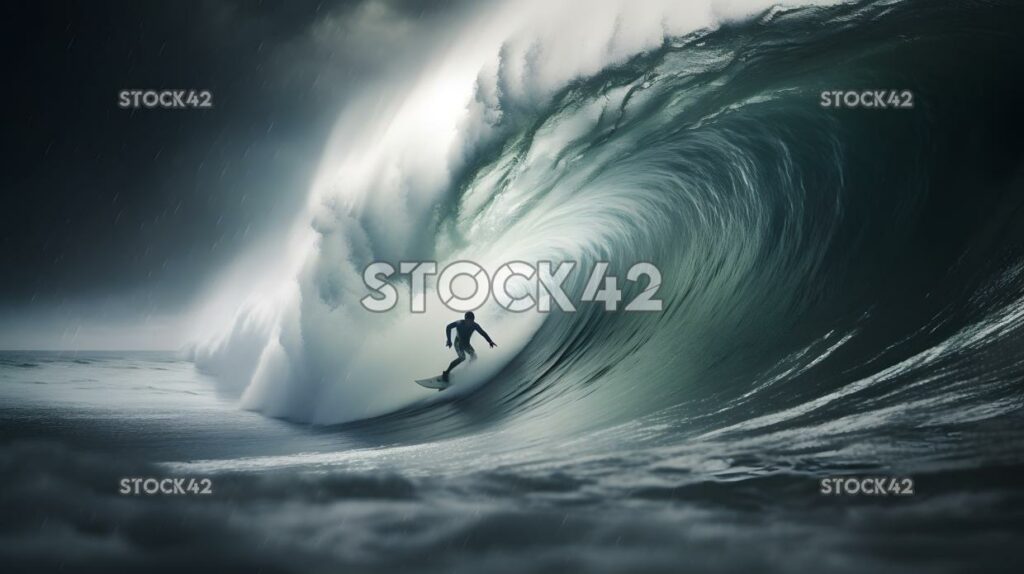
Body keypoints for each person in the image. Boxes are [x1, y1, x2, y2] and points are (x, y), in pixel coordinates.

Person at [443, 311, 496, 382]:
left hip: (466, 344)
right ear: (465, 319)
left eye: (472, 320)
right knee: (462, 357)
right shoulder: (460, 323)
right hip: (458, 343)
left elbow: (483, 333)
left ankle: (465, 370)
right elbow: (448, 327)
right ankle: (446, 373)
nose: (470, 322)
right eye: (469, 320)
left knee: (474, 357)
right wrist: (449, 340)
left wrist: (490, 341)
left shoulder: (475, 325)